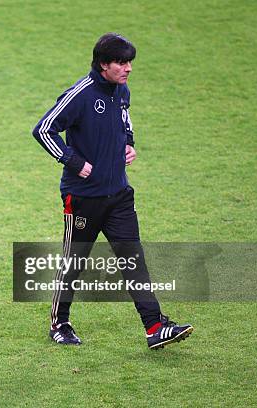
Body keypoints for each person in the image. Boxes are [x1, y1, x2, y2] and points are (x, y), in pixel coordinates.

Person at [31, 33, 193, 349]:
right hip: (82, 199)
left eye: (130, 61)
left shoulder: (121, 90)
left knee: (134, 262)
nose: (128, 68)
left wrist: (129, 142)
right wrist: (73, 160)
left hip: (118, 195)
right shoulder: (80, 95)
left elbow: (124, 118)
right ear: (104, 64)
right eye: (121, 62)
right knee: (73, 261)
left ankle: (155, 327)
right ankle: (59, 324)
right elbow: (43, 128)